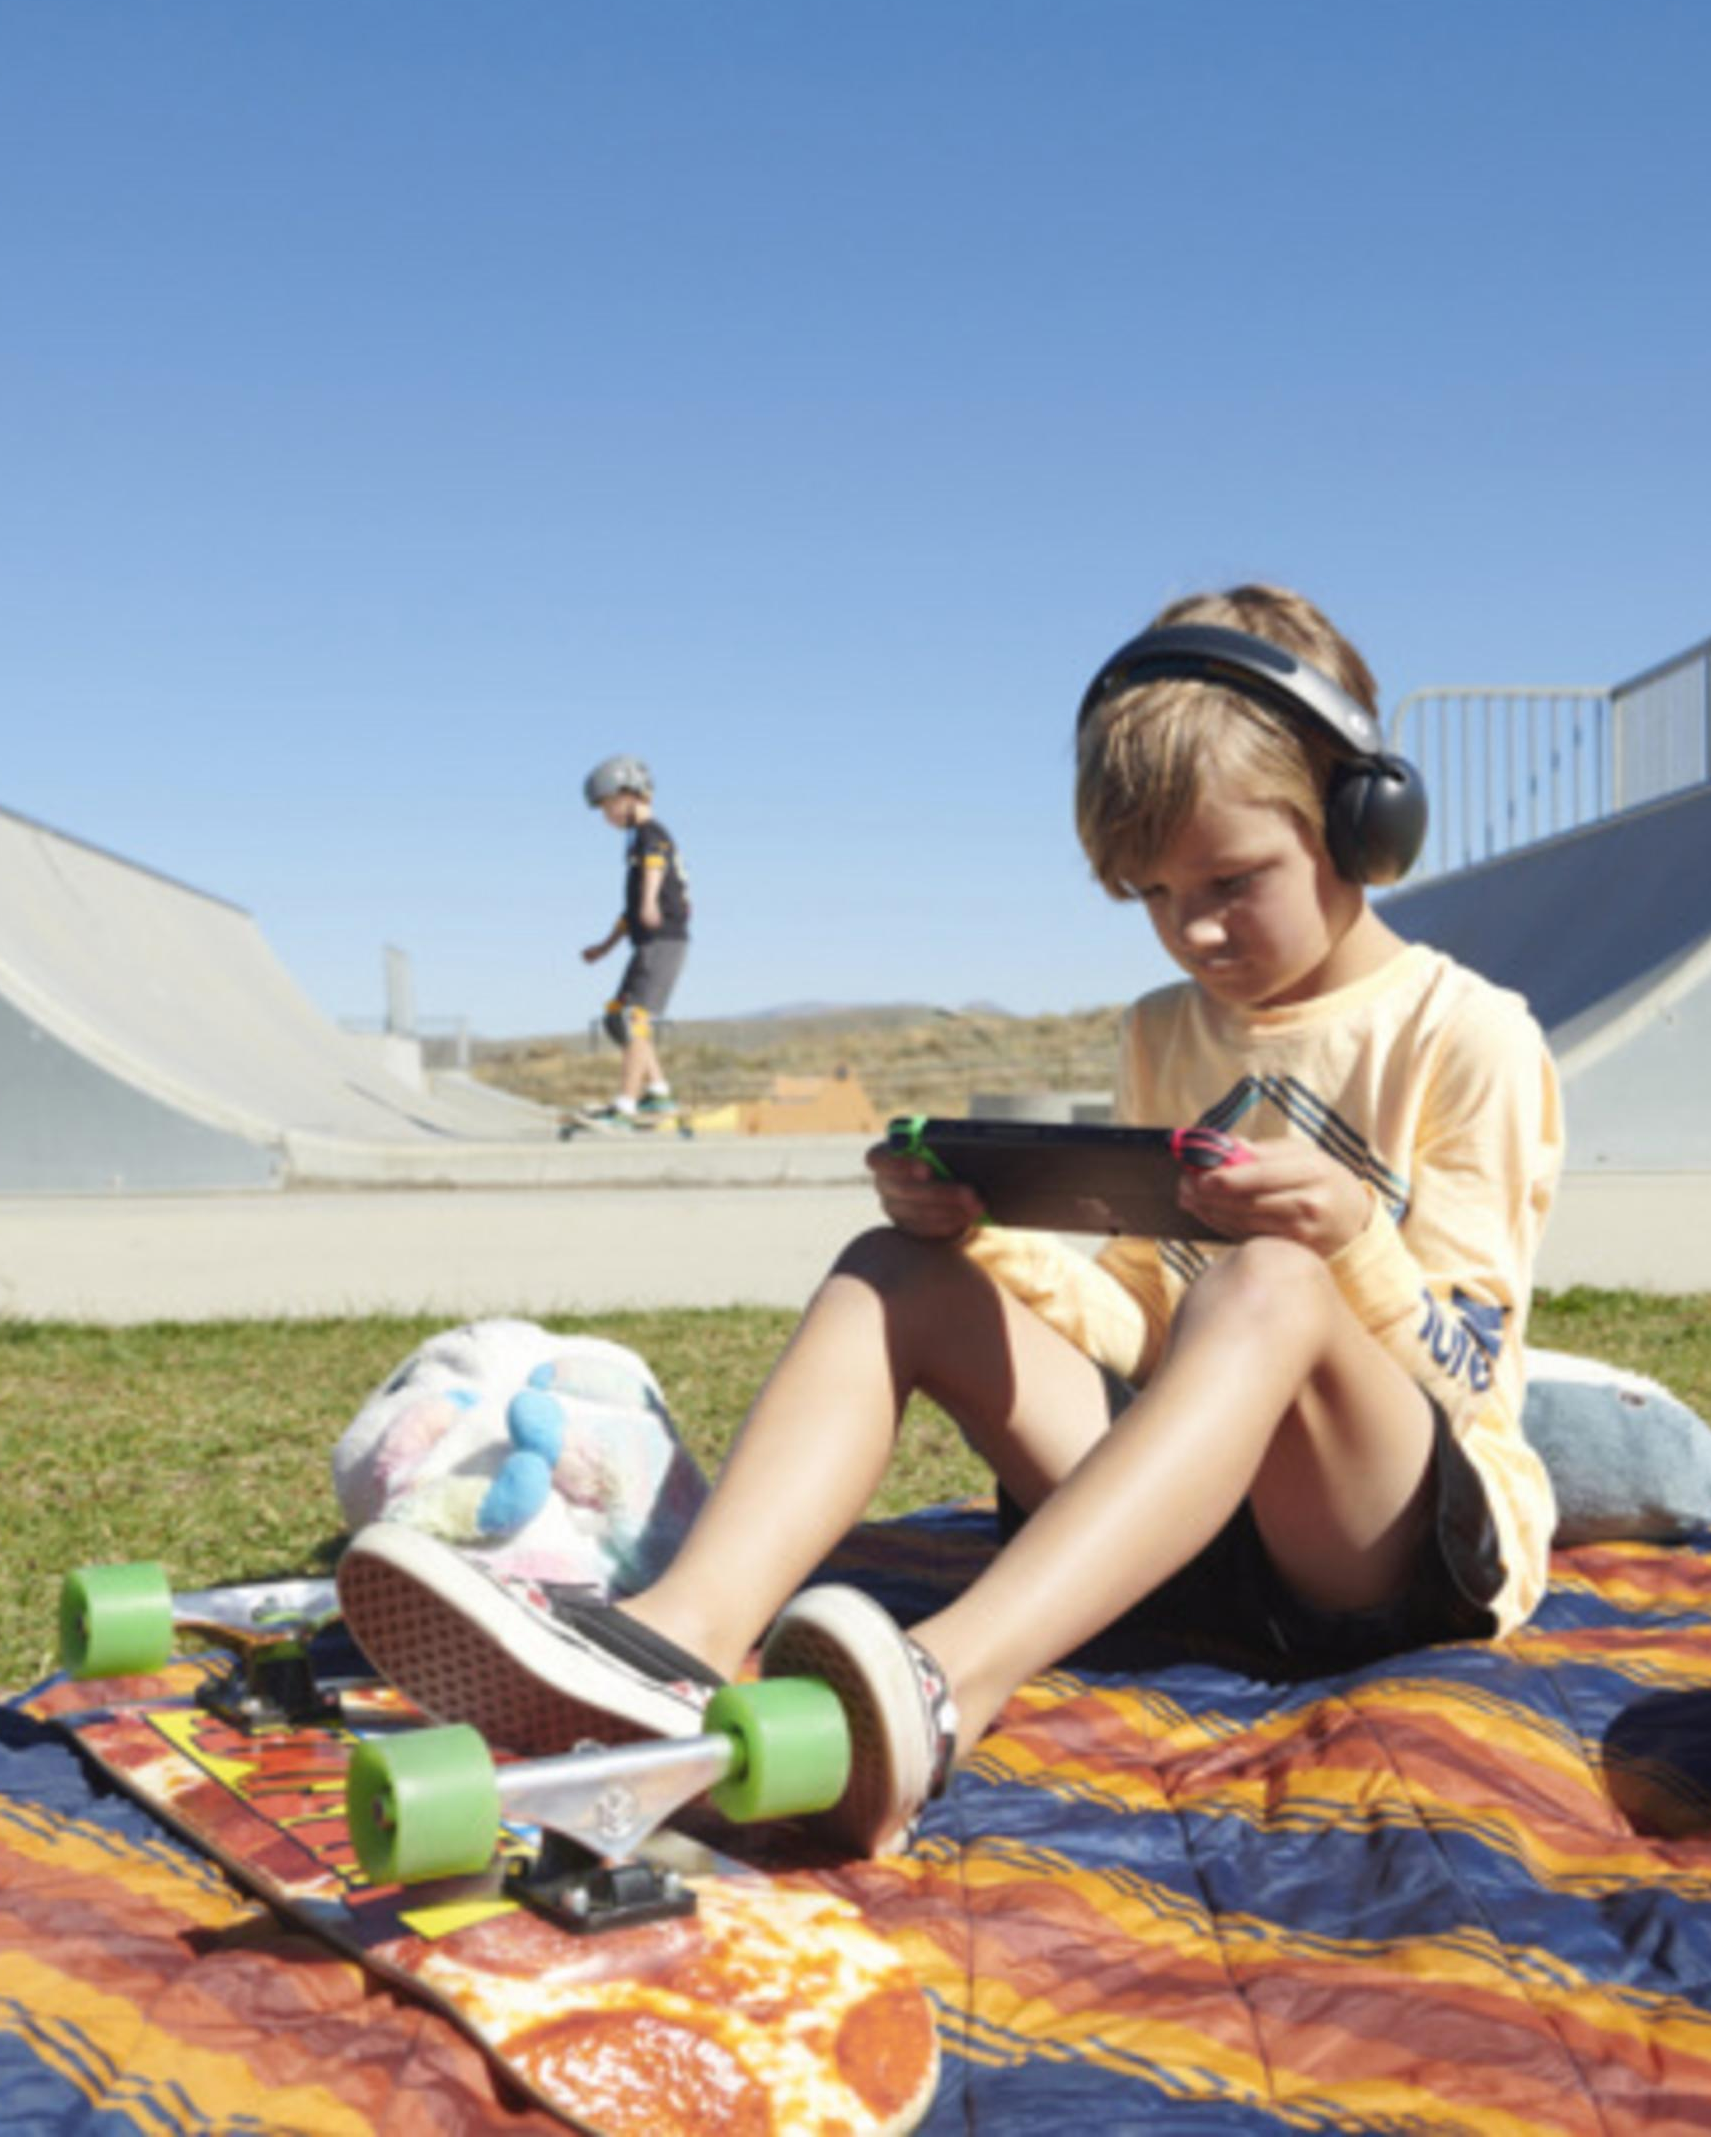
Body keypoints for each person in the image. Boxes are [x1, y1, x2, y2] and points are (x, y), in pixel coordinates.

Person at [346, 588, 1562, 1855]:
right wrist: (982, 1230)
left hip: (1379, 1553)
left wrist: (1348, 1238)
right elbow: (1145, 1335)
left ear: (1362, 822)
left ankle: (941, 1686)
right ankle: (672, 1639)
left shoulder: (1467, 1035)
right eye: (1150, 894)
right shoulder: (1163, 1028)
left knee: (1264, 1284)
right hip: (1187, 1536)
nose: (1191, 930)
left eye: (1231, 881)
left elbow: (1470, 1383)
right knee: (895, 1267)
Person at [577, 753, 690, 1120]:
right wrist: (604, 947)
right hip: (646, 943)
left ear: (629, 795)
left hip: (664, 941)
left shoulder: (650, 835)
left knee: (635, 1019)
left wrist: (648, 903)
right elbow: (628, 914)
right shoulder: (635, 843)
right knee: (615, 1018)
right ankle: (657, 1092)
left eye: (607, 806)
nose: (605, 816)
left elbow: (656, 865)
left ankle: (625, 1105)